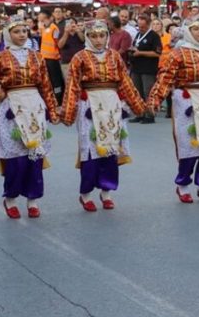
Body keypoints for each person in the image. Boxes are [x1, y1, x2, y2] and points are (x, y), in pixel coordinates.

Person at [0, 18, 60, 219]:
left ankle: (33, 199)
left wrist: (51, 111)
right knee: (15, 158)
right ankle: (10, 198)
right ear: (7, 34)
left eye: (24, 31)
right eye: (17, 31)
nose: (21, 35)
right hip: (12, 109)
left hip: (34, 108)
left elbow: (46, 86)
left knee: (34, 155)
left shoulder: (38, 57)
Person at [61, 21, 146, 211]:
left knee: (111, 149)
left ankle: (106, 191)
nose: (98, 40)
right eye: (94, 36)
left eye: (102, 35)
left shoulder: (115, 56)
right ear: (88, 37)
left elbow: (125, 82)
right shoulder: (79, 58)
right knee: (91, 151)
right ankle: (86, 194)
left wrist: (138, 106)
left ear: (107, 36)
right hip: (89, 105)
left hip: (111, 105)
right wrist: (68, 113)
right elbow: (72, 86)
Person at [146, 19, 199, 204]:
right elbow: (165, 78)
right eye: (196, 29)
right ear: (188, 32)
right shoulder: (178, 53)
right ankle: (183, 185)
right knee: (189, 145)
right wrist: (155, 99)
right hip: (187, 102)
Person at [129, 14, 162, 124]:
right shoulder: (138, 34)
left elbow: (157, 53)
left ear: (148, 25)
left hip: (148, 69)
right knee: (137, 92)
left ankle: (150, 115)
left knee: (148, 92)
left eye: (143, 27)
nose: (141, 28)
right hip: (136, 67)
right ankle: (140, 113)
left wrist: (141, 53)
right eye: (139, 26)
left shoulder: (154, 36)